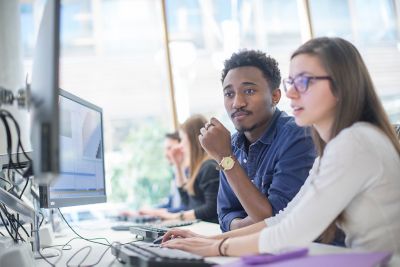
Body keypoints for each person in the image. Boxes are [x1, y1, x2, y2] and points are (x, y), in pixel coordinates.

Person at [161, 37, 400, 256]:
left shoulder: (355, 144)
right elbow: (282, 220)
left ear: (341, 86)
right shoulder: (335, 147)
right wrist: (209, 240)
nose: (292, 92)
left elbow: (291, 233)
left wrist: (216, 247)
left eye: (305, 81)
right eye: (291, 82)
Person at [200, 50, 316, 231]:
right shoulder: (232, 145)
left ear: (275, 96)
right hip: (256, 249)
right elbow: (224, 216)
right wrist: (250, 222)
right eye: (229, 94)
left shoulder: (298, 135)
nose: (237, 103)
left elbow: (275, 221)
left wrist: (225, 158)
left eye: (249, 91)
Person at [154, 115, 220, 223]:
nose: (181, 145)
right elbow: (187, 202)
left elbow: (212, 208)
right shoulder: (196, 167)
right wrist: (178, 165)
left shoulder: (209, 167)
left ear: (191, 139)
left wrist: (175, 217)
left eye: (182, 139)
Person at [139, 132, 187, 216]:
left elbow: (187, 207)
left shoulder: (190, 174)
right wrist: (147, 211)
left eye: (169, 148)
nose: (166, 154)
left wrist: (155, 213)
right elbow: (170, 204)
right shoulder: (175, 174)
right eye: (165, 149)